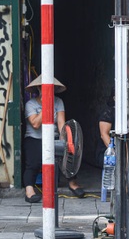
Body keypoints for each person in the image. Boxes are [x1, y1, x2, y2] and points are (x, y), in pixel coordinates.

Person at [22, 75, 85, 203]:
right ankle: (29, 191)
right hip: (35, 138)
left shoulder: (58, 102)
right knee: (33, 163)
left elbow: (61, 123)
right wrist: (46, 104)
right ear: (39, 88)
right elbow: (35, 124)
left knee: (68, 155)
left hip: (54, 137)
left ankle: (73, 183)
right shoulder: (31, 104)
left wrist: (65, 140)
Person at [96, 90, 129, 174]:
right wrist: (115, 152)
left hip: (128, 150)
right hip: (108, 151)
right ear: (114, 98)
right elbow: (104, 135)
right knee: (121, 159)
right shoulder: (108, 113)